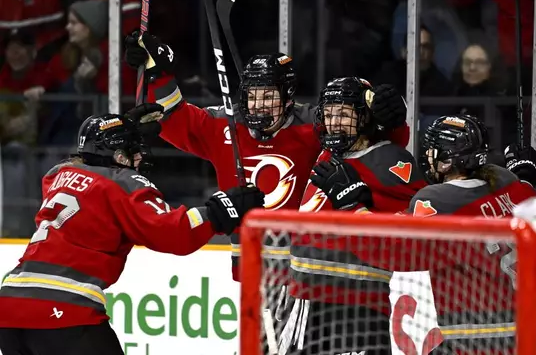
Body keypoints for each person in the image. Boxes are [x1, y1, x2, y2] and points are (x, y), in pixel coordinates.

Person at [123, 32, 410, 281]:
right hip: (249, 265)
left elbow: (367, 135)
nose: (258, 105)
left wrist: (392, 113)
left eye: (268, 96)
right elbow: (176, 117)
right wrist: (158, 73)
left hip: (305, 266)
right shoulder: (225, 125)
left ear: (287, 97)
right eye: (252, 95)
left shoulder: (313, 124)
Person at [0, 104, 264, 355]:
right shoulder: (121, 183)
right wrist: (222, 209)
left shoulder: (58, 176)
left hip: (9, 307)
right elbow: (174, 233)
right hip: (64, 308)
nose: (138, 157)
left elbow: (84, 165)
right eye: (132, 150)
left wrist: (117, 129)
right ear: (117, 156)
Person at [287, 114, 536, 355]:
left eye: (432, 151)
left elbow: (388, 251)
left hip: (477, 338)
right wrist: (528, 173)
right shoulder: (509, 186)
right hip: (532, 334)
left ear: (446, 161)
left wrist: (350, 204)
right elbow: (530, 200)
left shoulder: (441, 201)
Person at [276, 77, 427, 354]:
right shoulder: (327, 155)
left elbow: (414, 231)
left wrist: (355, 204)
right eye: (330, 114)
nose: (334, 123)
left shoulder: (391, 160)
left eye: (344, 115)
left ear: (366, 119)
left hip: (356, 309)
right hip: (307, 302)